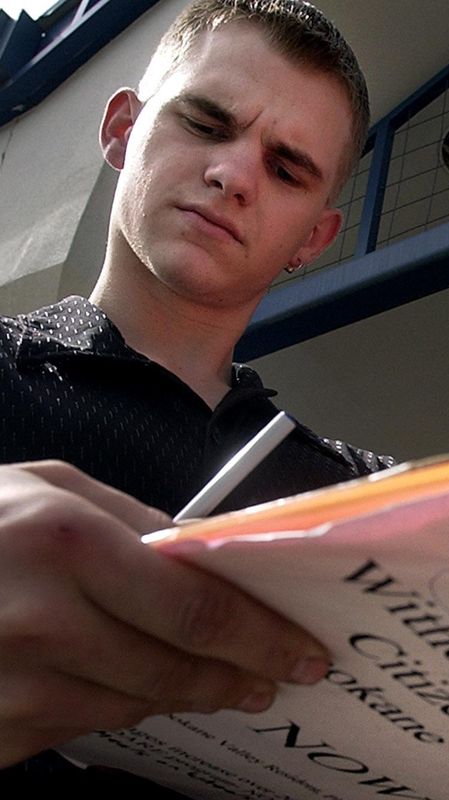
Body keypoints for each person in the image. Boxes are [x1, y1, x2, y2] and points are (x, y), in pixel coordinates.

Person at [0, 0, 394, 790]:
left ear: (313, 239)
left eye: (286, 168)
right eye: (207, 124)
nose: (234, 175)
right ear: (120, 130)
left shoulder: (362, 502)